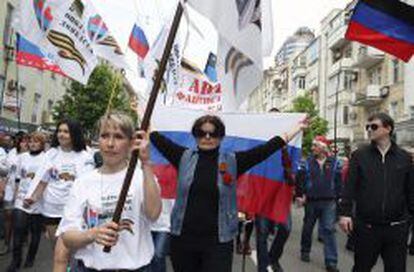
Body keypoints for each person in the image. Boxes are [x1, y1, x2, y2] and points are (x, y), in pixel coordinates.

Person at [150, 114, 307, 272]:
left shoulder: (233, 161)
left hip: (219, 242)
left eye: (213, 133)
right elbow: (156, 138)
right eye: (202, 133)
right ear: (195, 135)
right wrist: (140, 111)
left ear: (221, 136)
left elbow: (266, 149)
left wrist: (296, 128)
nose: (207, 137)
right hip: (183, 240)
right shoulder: (183, 157)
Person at [57, 112, 161, 271]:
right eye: (104, 136)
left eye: (118, 137)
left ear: (131, 142)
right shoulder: (83, 182)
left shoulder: (142, 177)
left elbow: (153, 214)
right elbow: (67, 237)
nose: (110, 143)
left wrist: (146, 162)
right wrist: (92, 235)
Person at [339, 112, 414, 272]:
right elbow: (349, 186)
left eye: (374, 126)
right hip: (367, 227)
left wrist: (409, 219)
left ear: (388, 128)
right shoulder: (360, 155)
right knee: (361, 268)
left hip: (397, 227)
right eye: (368, 127)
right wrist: (344, 213)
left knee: (396, 269)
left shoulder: (404, 157)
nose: (369, 130)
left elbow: (410, 190)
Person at [25, 119, 95, 272]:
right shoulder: (51, 154)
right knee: (57, 247)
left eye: (66, 131)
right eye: (59, 131)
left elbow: (88, 186)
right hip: (51, 208)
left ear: (74, 134)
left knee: (67, 250)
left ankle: (70, 267)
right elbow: (42, 180)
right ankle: (67, 267)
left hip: (72, 211)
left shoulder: (85, 156)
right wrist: (33, 197)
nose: (61, 135)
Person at [296, 135, 342, 272]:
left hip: (329, 202)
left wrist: (340, 197)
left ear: (323, 148)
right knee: (308, 227)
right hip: (311, 201)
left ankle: (331, 261)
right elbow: (300, 180)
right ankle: (305, 250)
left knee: (329, 230)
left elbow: (339, 182)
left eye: (315, 146)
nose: (312, 148)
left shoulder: (334, 162)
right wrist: (300, 195)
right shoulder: (306, 162)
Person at [6, 132, 47, 271]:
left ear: (42, 144)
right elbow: (18, 177)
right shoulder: (21, 157)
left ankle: (30, 257)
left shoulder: (46, 159)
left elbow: (47, 182)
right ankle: (15, 262)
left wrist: (35, 197)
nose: (32, 144)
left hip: (38, 201)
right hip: (21, 200)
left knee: (35, 233)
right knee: (18, 231)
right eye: (30, 141)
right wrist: (17, 195)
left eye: (36, 141)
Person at [1, 132, 29, 256]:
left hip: (24, 191)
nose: (22, 143)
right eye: (20, 140)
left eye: (24, 141)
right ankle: (7, 244)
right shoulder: (11, 154)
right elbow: (6, 172)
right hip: (9, 189)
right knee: (8, 216)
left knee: (20, 219)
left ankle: (22, 239)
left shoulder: (31, 156)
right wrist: (2, 188)